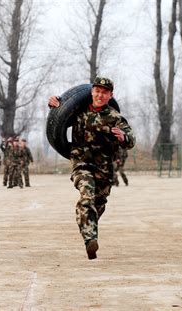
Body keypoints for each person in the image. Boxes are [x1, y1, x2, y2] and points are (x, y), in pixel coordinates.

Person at [48, 76, 135, 260]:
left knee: (98, 205)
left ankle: (88, 226)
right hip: (81, 163)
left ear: (110, 95)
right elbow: (59, 118)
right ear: (91, 91)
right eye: (97, 91)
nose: (100, 95)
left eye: (104, 92)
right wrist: (55, 104)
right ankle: (90, 240)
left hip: (104, 168)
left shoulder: (114, 117)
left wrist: (123, 137)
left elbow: (131, 139)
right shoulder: (78, 111)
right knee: (86, 196)